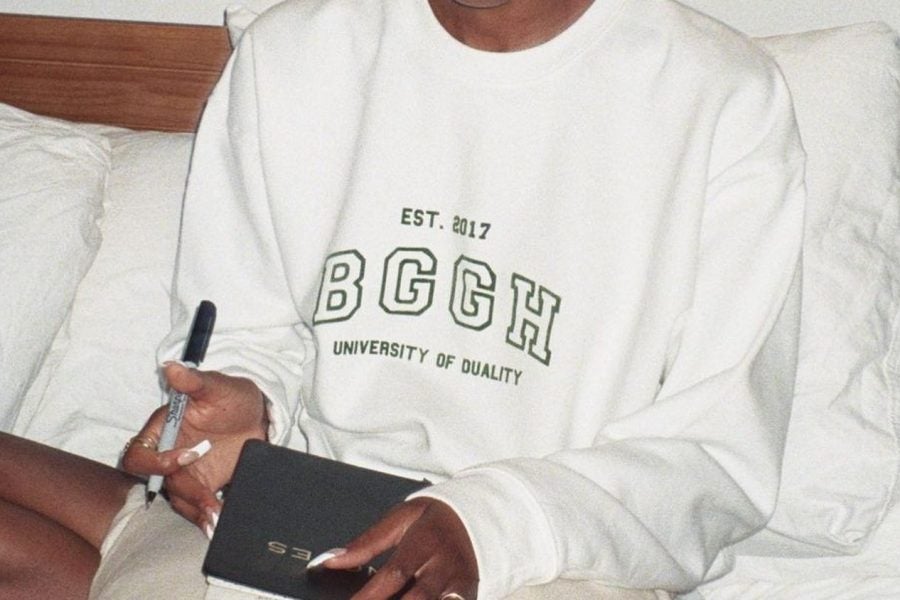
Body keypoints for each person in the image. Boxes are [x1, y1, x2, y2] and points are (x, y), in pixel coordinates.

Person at [0, 0, 806, 598]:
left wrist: (486, 521)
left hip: (557, 554)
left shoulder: (718, 95)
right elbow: (242, 329)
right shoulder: (294, 54)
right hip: (294, 523)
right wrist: (242, 408)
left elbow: (714, 457)